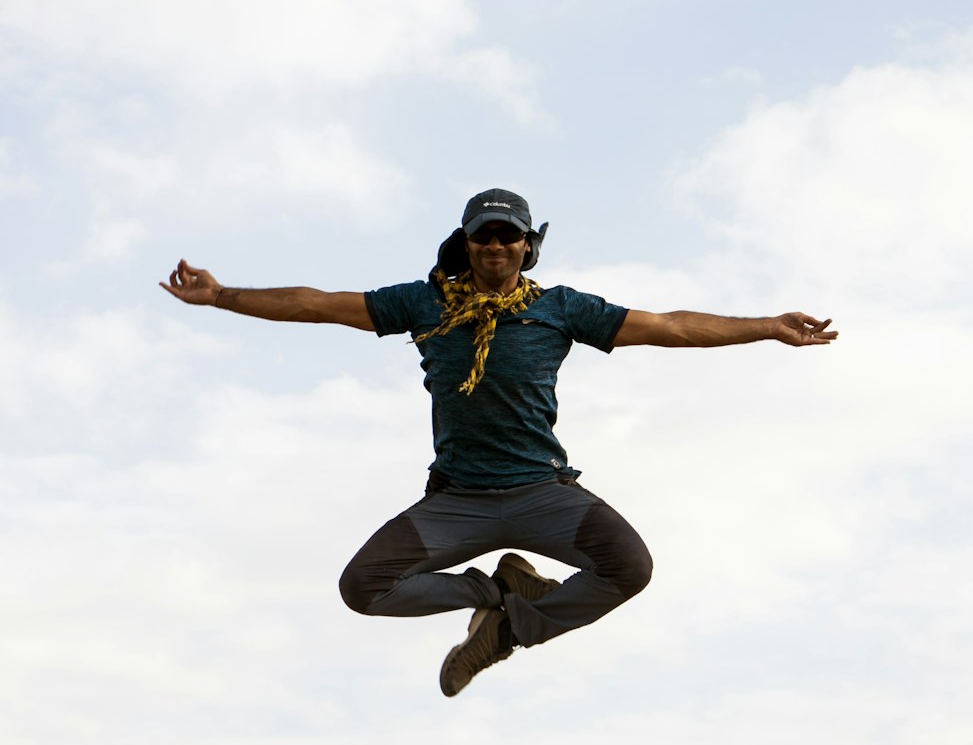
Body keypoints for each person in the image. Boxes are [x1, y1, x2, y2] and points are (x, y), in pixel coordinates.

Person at [161, 187, 837, 696]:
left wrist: (769, 325)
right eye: (482, 238)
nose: (494, 248)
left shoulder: (561, 308)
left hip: (543, 492)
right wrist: (223, 297)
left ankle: (513, 625)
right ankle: (492, 593)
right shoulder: (424, 305)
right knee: (363, 588)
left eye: (507, 238)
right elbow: (317, 303)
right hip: (458, 499)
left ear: (526, 248)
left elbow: (672, 326)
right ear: (466, 245)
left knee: (630, 568)